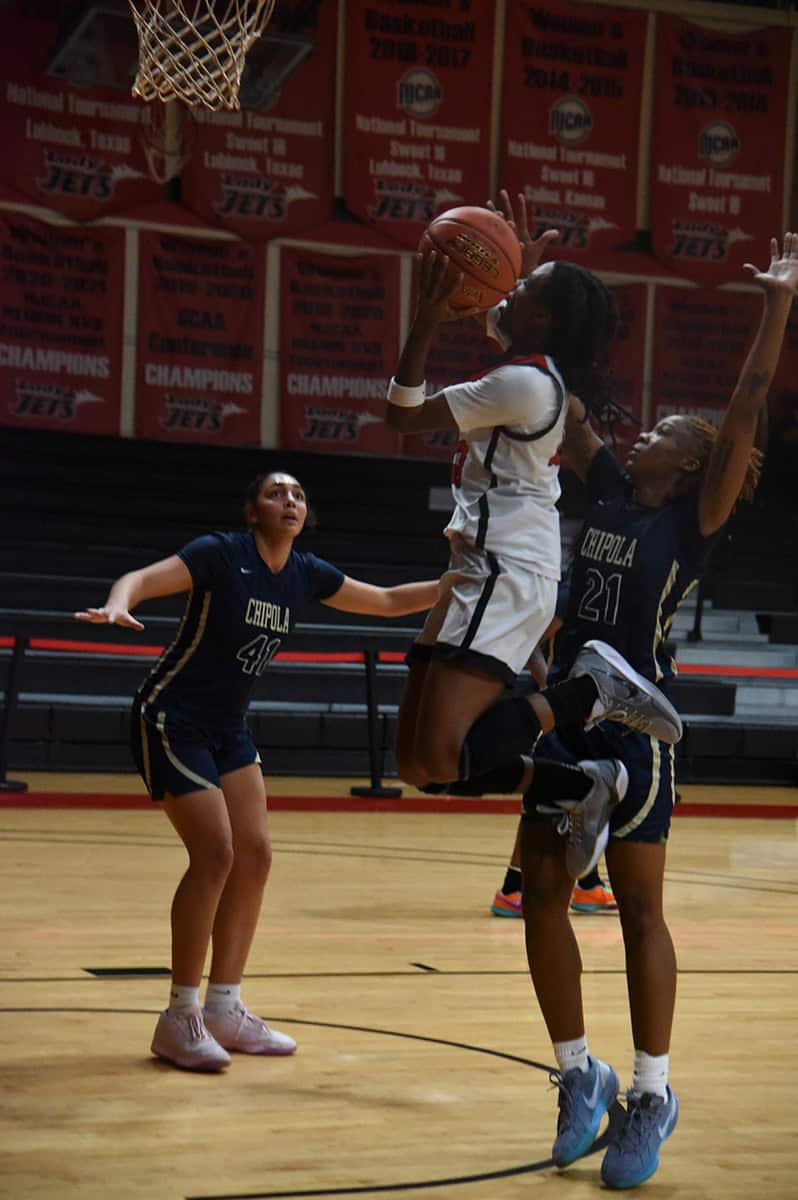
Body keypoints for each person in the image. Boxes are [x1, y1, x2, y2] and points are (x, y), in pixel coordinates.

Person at [517, 231, 798, 1189]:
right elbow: (565, 389)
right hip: (567, 713)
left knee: (639, 908)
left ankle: (651, 1092)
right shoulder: (603, 485)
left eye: (669, 433)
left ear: (690, 463)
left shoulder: (691, 519)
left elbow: (747, 405)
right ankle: (576, 1074)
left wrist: (776, 308)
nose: (648, 433)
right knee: (542, 897)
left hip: (638, 727)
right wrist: (530, 289)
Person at [75, 470, 439, 1073]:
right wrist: (119, 603)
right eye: (275, 493)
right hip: (171, 715)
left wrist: (464, 583)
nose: (289, 501)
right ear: (252, 511)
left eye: (297, 494)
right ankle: (179, 1017)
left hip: (229, 727)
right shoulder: (221, 554)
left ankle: (224, 1007)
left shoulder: (306, 572)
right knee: (215, 854)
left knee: (257, 855)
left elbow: (389, 601)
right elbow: (142, 579)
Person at [386, 198, 682, 880]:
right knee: (418, 766)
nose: (506, 295)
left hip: (508, 568)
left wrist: (428, 317)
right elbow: (492, 312)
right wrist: (508, 271)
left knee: (444, 750)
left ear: (544, 318)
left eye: (521, 290)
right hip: (477, 566)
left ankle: (590, 693)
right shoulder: (531, 369)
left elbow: (399, 416)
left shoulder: (520, 383)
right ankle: (579, 786)